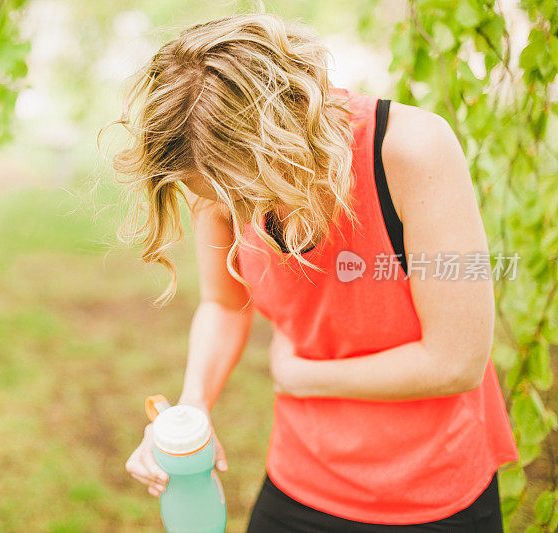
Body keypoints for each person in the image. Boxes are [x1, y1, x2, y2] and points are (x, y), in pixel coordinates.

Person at [108, 12, 520, 532]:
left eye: (244, 194)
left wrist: (302, 376)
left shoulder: (412, 150)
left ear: (289, 138)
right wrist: (192, 412)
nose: (233, 212)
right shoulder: (216, 171)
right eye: (215, 198)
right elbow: (222, 303)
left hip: (432, 491)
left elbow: (455, 360)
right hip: (301, 480)